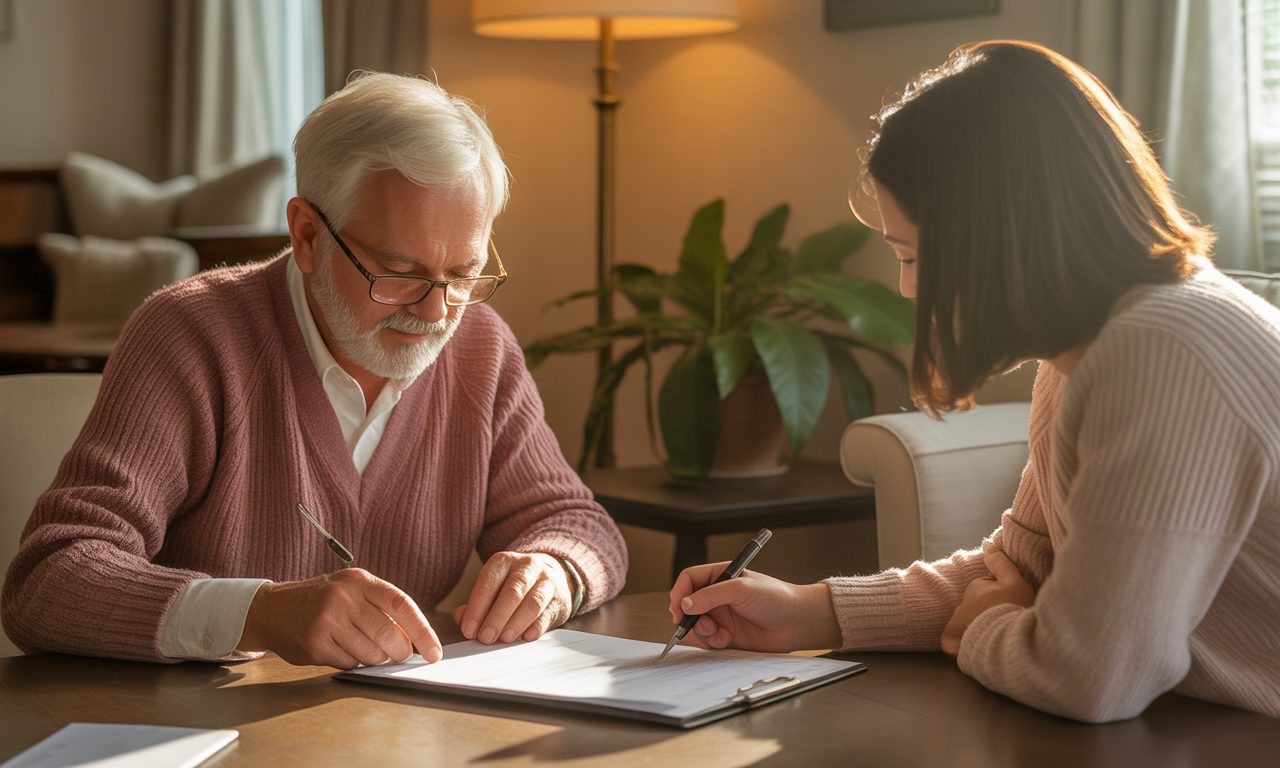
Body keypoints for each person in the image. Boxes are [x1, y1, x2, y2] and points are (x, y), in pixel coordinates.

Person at [667, 40, 1280, 722]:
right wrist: (806, 611)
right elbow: (1019, 568)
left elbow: (1089, 677)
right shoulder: (1090, 349)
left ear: (998, 241)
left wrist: (980, 629)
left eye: (912, 256)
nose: (908, 289)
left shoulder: (1161, 353)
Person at [1, 73, 627, 669]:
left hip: (404, 724)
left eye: (463, 274)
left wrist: (553, 571)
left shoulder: (480, 347)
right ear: (306, 235)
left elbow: (577, 525)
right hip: (197, 723)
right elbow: (47, 580)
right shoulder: (190, 336)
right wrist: (260, 613)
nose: (437, 312)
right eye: (398, 272)